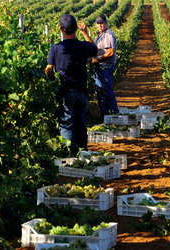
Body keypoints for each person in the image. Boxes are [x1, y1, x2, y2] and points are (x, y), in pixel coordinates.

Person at [46, 14, 97, 156]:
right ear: (75, 29)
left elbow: (49, 69)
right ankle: (83, 155)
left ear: (61, 30)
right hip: (82, 90)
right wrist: (85, 32)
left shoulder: (56, 48)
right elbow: (95, 50)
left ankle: (69, 156)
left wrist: (52, 78)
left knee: (66, 125)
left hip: (66, 91)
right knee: (81, 124)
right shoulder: (84, 46)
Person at [79, 15, 119, 118]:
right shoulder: (99, 36)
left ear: (106, 23)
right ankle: (105, 115)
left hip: (105, 66)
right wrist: (84, 33)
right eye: (98, 23)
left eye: (102, 23)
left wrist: (98, 59)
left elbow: (111, 52)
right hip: (100, 66)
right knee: (100, 91)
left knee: (106, 89)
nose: (100, 25)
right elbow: (93, 47)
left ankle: (115, 113)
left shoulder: (108, 35)